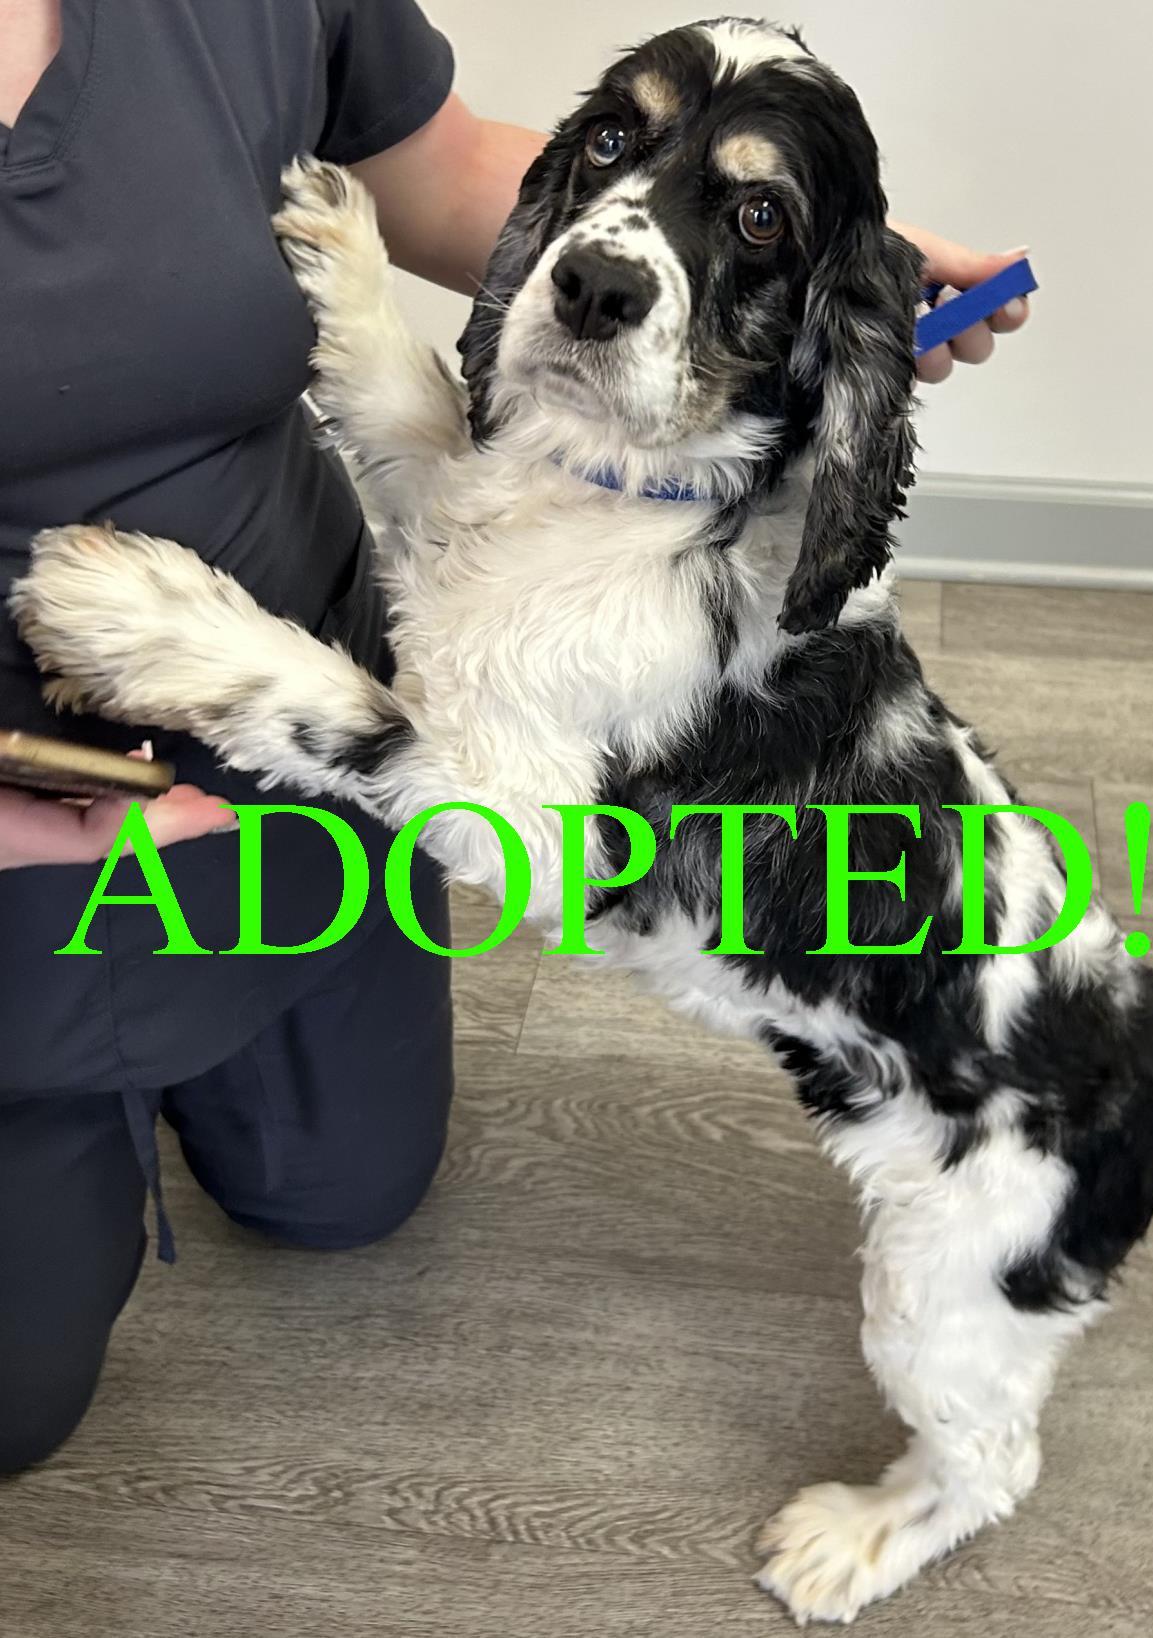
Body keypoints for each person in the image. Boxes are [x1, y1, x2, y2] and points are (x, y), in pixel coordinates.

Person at [0, 0, 1030, 1476]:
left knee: (348, 1192)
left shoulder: (708, 583)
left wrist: (833, 253)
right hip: (48, 784)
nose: (608, 251)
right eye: (617, 146)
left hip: (330, 744)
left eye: (739, 211)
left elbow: (516, 829)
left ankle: (958, 1483)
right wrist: (210, 645)